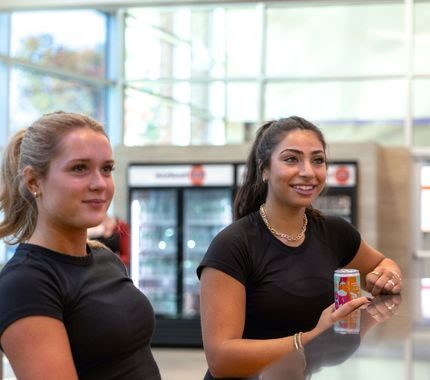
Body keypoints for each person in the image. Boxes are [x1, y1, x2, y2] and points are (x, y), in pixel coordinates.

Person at [197, 116, 403, 379]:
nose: (308, 171)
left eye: (318, 160)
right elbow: (221, 359)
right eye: (291, 159)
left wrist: (388, 275)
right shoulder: (232, 245)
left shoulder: (335, 232)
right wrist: (311, 336)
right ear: (265, 169)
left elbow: (381, 264)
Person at [0, 111, 161, 380]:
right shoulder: (26, 283)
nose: (99, 184)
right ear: (33, 181)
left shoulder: (103, 257)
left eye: (106, 169)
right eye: (79, 168)